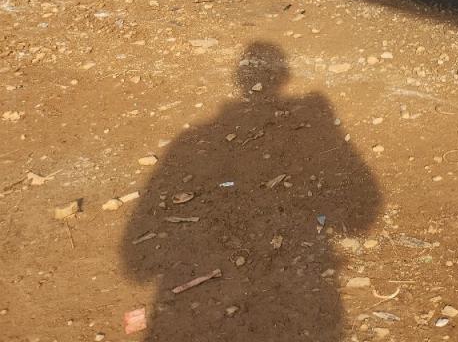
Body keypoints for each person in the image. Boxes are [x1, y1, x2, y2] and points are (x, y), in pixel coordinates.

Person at [121, 42, 381, 340]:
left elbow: (134, 262)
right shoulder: (314, 125)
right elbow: (364, 213)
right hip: (298, 296)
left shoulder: (190, 141)